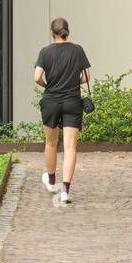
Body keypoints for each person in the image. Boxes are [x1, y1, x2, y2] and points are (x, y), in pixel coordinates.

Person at [34, 17, 91, 204]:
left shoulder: (45, 51)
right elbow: (86, 76)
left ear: (52, 33)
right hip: (72, 101)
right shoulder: (77, 50)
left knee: (51, 144)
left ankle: (51, 182)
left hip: (51, 101)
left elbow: (37, 77)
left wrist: (47, 85)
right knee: (70, 147)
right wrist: (73, 81)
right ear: (67, 32)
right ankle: (65, 190)